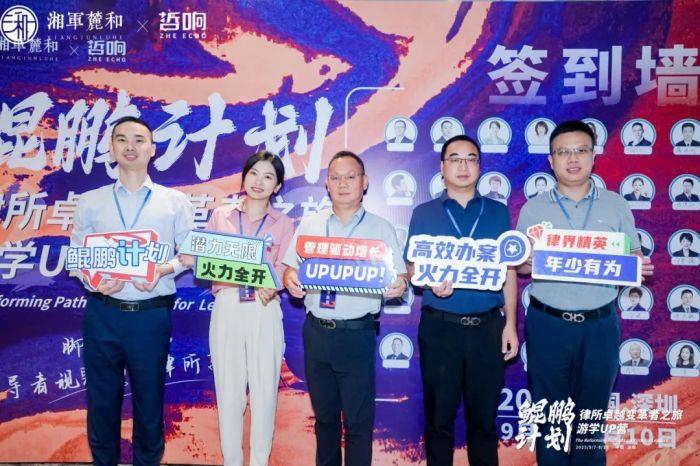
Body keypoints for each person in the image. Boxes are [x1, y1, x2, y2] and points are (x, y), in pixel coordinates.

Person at [516, 120, 653, 465]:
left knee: (590, 424)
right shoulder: (533, 208)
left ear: (594, 156)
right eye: (563, 152)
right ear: (551, 160)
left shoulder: (615, 205)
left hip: (599, 327)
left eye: (580, 150)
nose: (572, 158)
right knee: (550, 421)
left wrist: (637, 264)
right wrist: (526, 263)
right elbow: (521, 267)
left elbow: (633, 254)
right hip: (548, 326)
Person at [71, 116, 195, 466]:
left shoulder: (174, 201)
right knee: (102, 401)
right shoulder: (90, 201)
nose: (130, 146)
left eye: (139, 140)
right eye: (122, 139)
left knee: (149, 401)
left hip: (150, 315)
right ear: (111, 149)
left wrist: (163, 270)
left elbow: (189, 254)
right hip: (103, 313)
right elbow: (78, 256)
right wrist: (92, 280)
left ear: (152, 150)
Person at [282, 151, 408, 466]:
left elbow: (401, 276)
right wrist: (290, 279)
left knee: (357, 423)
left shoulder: (380, 228)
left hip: (356, 335)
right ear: (327, 184)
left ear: (365, 182)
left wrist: (400, 284)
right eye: (336, 178)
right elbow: (290, 268)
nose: (343, 184)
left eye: (351, 177)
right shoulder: (310, 224)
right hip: (317, 333)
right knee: (325, 420)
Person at [406, 135, 518, 466]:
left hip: (487, 327)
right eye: (455, 159)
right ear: (442, 168)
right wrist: (428, 281)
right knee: (439, 421)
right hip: (441, 328)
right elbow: (411, 266)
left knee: (483, 423)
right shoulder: (424, 213)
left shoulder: (498, 212)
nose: (463, 166)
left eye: (471, 159)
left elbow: (509, 270)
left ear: (480, 167)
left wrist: (510, 324)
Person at [192, 151, 294, 466]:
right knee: (229, 391)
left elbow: (285, 269)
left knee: (264, 392)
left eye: (268, 176)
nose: (259, 182)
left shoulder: (284, 224)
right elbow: (205, 262)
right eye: (254, 173)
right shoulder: (221, 216)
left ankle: (259, 461)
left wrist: (275, 283)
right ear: (244, 177)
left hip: (264, 307)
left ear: (277, 186)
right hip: (228, 305)